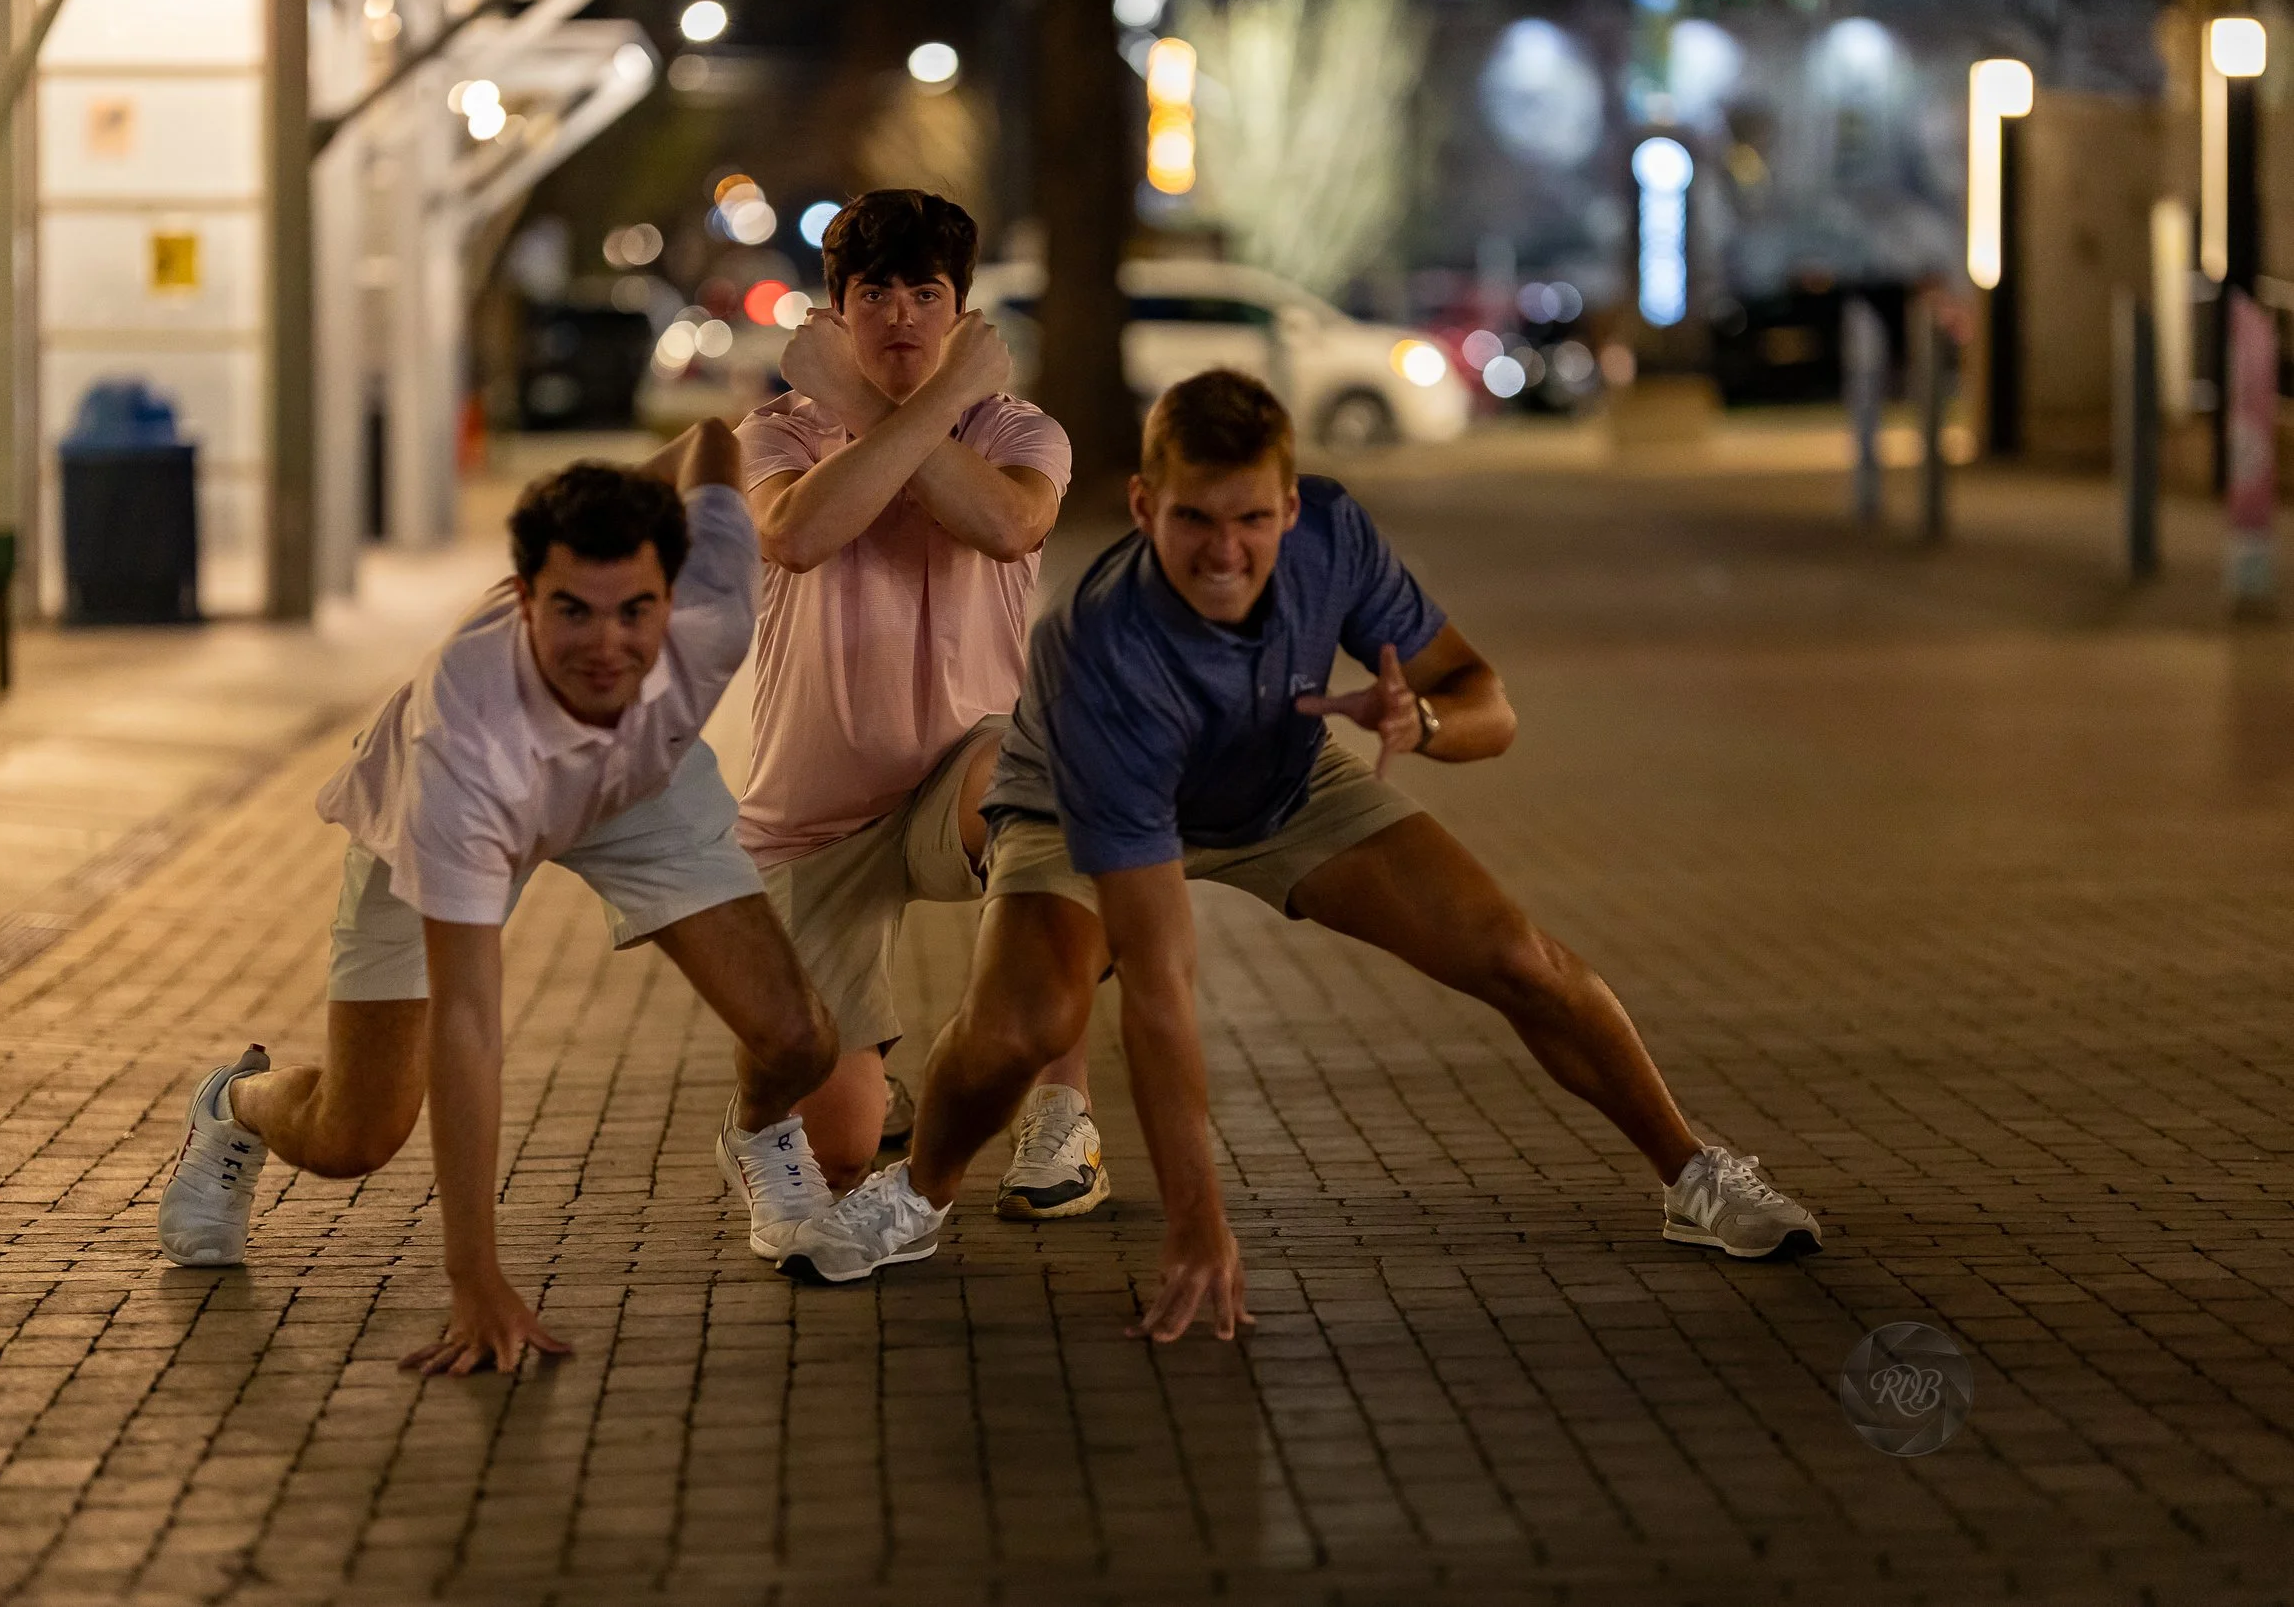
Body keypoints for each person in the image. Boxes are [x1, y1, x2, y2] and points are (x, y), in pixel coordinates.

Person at [777, 370, 1823, 1334]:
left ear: (1288, 509)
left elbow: (1484, 702)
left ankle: (1696, 1175)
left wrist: (1423, 722)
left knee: (1519, 957)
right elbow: (1158, 986)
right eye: (1193, 519)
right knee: (1024, 1024)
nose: (1223, 551)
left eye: (1249, 520)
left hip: (1281, 778)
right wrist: (1195, 1218)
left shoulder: (1333, 533)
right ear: (1145, 507)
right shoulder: (1102, 649)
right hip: (1080, 800)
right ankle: (912, 1194)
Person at [155, 423, 840, 1374]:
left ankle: (759, 1137)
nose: (607, 646)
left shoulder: (716, 598)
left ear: (672, 591)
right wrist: (474, 1274)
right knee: (357, 1135)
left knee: (802, 1039)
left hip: (640, 785)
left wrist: (608, 510)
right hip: (490, 796)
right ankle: (235, 1102)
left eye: (634, 610)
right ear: (524, 598)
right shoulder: (462, 741)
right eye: (572, 610)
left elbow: (717, 442)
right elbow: (470, 1019)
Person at [734, 188, 1104, 1219]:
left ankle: (1060, 1108)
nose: (900, 312)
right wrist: (886, 412)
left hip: (959, 772)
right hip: (810, 817)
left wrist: (902, 412)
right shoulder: (770, 432)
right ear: (837, 311)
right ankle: (847, 1088)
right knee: (841, 1153)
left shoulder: (1020, 428)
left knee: (1053, 801)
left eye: (925, 291)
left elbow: (1009, 524)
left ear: (959, 311)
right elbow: (800, 535)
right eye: (874, 291)